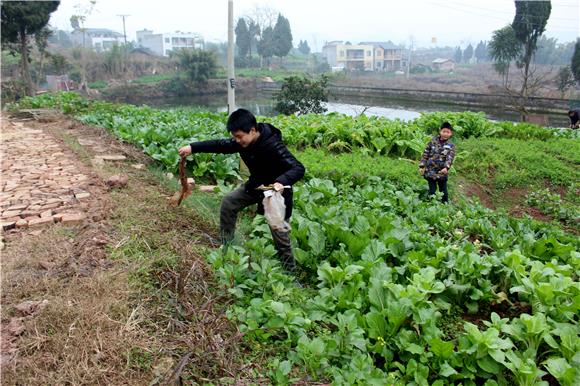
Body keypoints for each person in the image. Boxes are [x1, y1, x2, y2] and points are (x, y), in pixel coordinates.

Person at [178, 109, 305, 272]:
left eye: (239, 136)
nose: (236, 141)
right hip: (256, 186)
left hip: (276, 193)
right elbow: (220, 145)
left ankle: (290, 273)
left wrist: (281, 181)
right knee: (229, 202)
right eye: (234, 137)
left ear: (252, 130)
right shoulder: (243, 142)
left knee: (279, 233)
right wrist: (192, 148)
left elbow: (298, 167)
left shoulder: (273, 145)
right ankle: (226, 245)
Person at [419, 122, 456, 203]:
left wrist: (446, 167)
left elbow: (450, 157)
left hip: (442, 171)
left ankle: (445, 205)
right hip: (430, 170)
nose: (445, 134)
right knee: (432, 190)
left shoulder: (451, 145)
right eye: (444, 131)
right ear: (440, 131)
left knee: (443, 191)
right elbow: (425, 154)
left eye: (448, 132)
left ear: (451, 134)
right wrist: (422, 166)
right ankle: (431, 204)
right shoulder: (432, 142)